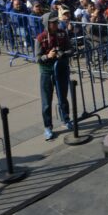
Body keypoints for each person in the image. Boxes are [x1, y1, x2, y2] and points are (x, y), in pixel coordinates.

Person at [34, 11, 73, 140]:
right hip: (46, 72)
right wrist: (48, 56)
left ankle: (66, 119)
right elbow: (37, 58)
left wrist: (63, 53)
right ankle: (48, 127)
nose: (56, 24)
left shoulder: (62, 33)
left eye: (56, 22)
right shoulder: (40, 38)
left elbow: (71, 49)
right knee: (46, 101)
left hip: (61, 69)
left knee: (63, 97)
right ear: (47, 24)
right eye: (53, 22)